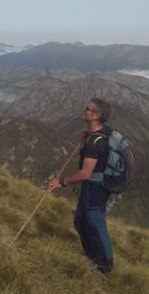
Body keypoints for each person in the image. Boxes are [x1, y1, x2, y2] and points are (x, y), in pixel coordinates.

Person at [48, 98, 114, 273]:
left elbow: (85, 173)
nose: (84, 110)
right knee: (80, 221)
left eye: (88, 108)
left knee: (96, 224)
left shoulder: (94, 143)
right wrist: (88, 135)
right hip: (93, 187)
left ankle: (105, 265)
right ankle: (92, 255)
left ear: (96, 115)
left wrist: (61, 182)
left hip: (95, 189)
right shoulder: (102, 133)